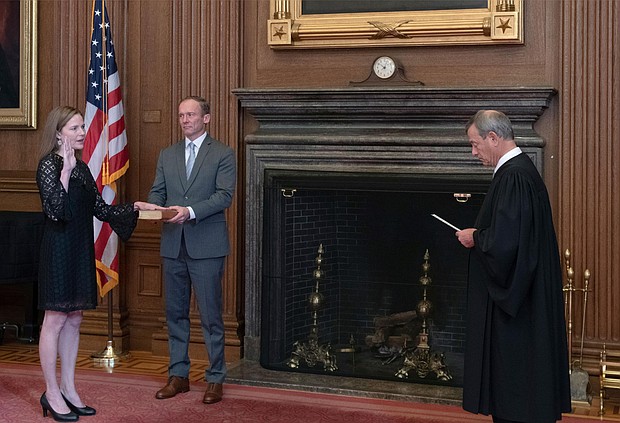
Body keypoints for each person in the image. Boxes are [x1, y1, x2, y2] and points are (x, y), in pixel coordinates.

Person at [36, 106, 158, 422]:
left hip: (79, 248)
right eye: (75, 128)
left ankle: (69, 388)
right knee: (55, 318)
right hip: (58, 250)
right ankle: (51, 392)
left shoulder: (83, 168)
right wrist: (64, 170)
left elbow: (101, 210)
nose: (81, 133)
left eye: (81, 127)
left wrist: (134, 207)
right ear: (59, 132)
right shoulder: (49, 166)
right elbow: (56, 211)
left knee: (74, 317)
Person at [455, 110, 571, 423]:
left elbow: (505, 245)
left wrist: (475, 237)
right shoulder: (519, 172)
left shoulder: (514, 176)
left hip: (519, 310)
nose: (474, 152)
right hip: (527, 299)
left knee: (517, 390)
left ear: (494, 137)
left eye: (475, 144)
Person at [148, 96, 236, 405]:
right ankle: (178, 376)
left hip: (207, 246)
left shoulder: (223, 153)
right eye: (182, 115)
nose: (185, 120)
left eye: (191, 115)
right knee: (175, 314)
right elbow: (158, 192)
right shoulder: (167, 154)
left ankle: (215, 378)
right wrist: (151, 206)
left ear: (206, 118)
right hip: (173, 244)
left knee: (211, 316)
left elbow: (224, 196)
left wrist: (190, 210)